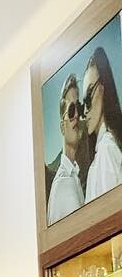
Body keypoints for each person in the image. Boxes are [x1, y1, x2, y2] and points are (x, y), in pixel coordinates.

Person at [47, 74, 90, 222]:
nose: (77, 115)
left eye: (79, 108)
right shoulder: (64, 183)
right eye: (71, 111)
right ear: (62, 127)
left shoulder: (73, 176)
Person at [84, 47, 122, 204]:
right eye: (82, 103)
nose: (85, 111)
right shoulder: (101, 154)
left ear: (103, 87)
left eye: (89, 96)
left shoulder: (106, 150)